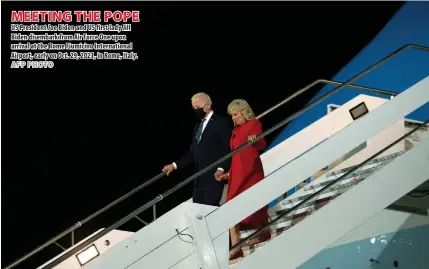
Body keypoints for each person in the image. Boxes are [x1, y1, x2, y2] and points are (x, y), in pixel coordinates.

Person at [216, 99, 270, 260]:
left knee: (250, 207)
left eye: (235, 114)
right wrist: (228, 174)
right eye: (232, 115)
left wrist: (256, 140)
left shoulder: (253, 124)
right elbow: (236, 157)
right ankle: (236, 246)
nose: (233, 118)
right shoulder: (236, 131)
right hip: (237, 174)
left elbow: (262, 144)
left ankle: (264, 231)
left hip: (251, 172)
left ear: (244, 112)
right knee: (232, 209)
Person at [162, 92, 232, 206]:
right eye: (194, 108)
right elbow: (193, 153)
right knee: (198, 212)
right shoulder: (198, 126)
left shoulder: (221, 122)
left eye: (198, 107)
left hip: (214, 177)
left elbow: (228, 149)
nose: (196, 110)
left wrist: (221, 168)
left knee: (211, 211)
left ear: (208, 105)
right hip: (198, 180)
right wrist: (174, 165)